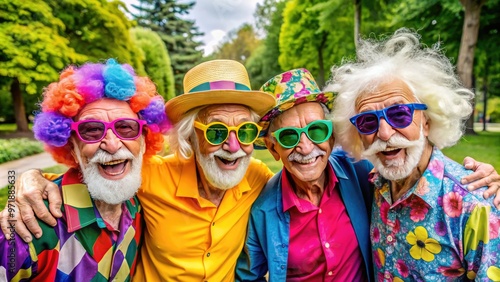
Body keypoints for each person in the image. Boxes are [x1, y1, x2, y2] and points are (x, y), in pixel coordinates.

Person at [1, 59, 277, 281]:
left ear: (143, 140)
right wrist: (27, 181)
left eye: (245, 131)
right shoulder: (148, 177)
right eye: (217, 132)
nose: (233, 145)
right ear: (190, 135)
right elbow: (76, 180)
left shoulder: (258, 177)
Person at [326, 29, 500, 281]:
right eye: (367, 121)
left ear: (427, 121)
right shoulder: (373, 183)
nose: (384, 133)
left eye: (399, 114)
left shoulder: (475, 204)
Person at [0, 59, 170, 281]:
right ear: (72, 146)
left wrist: (30, 176)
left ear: (145, 140)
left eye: (126, 128)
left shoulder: (140, 205)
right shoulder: (28, 227)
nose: (112, 144)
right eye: (91, 130)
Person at [236, 69, 374, 281]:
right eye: (289, 136)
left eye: (317, 130)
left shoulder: (361, 170)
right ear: (273, 149)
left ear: (332, 137)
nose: (306, 147)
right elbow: (248, 278)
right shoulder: (263, 211)